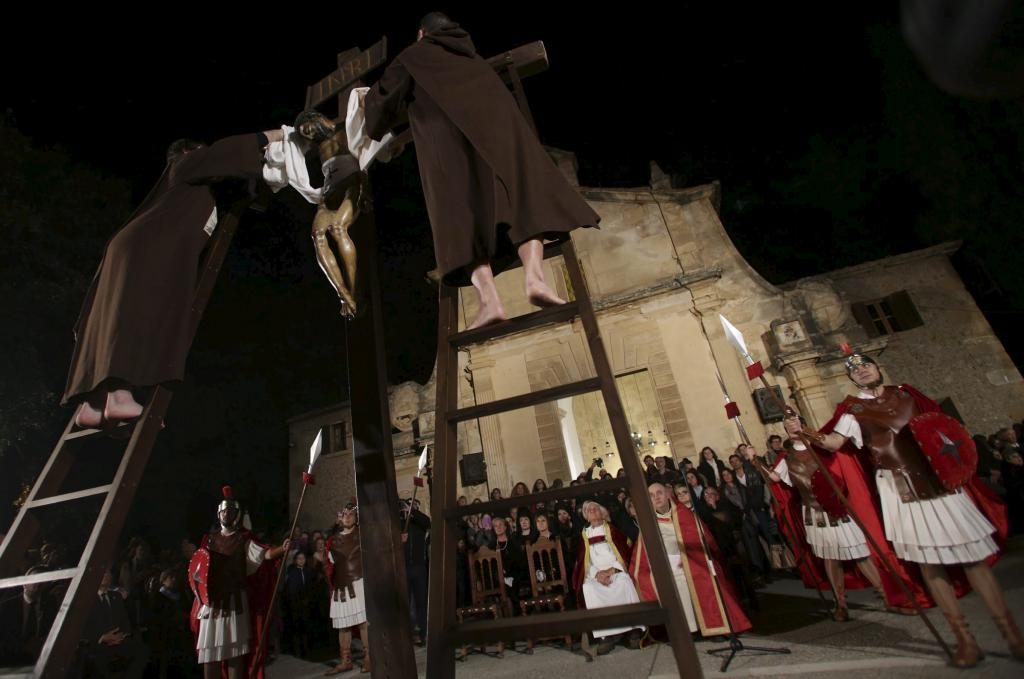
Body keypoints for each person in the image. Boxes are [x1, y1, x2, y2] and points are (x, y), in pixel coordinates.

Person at [363, 11, 600, 329]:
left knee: (460, 219)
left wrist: (364, 101)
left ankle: (489, 301)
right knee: (524, 200)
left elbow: (378, 113)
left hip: (448, 148)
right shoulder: (472, 57)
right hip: (501, 140)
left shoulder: (412, 56)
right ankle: (536, 279)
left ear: (421, 34)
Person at [788, 351, 1019, 667]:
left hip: (936, 482)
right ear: (851, 378)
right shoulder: (852, 410)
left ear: (876, 368)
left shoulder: (908, 395)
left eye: (866, 364)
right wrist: (803, 430)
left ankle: (1012, 635)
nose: (862, 370)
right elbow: (832, 444)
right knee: (929, 563)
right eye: (855, 369)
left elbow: (943, 432)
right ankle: (965, 640)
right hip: (898, 488)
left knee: (972, 559)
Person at [65, 130, 283, 427]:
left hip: (136, 246)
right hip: (146, 248)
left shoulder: (192, 191)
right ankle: (118, 396)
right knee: (140, 309)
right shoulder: (184, 164)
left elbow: (237, 178)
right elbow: (224, 152)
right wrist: (278, 134)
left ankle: (92, 406)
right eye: (203, 151)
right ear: (190, 151)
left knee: (116, 314)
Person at [188, 486, 288, 679]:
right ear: (219, 513)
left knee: (234, 654)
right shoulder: (209, 541)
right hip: (212, 603)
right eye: (224, 511)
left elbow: (263, 554)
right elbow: (199, 570)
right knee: (210, 654)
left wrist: (282, 549)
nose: (227, 514)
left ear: (237, 514)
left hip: (235, 601)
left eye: (231, 511)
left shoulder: (243, 539)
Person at [630, 483, 751, 638]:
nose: (657, 498)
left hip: (690, 559)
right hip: (664, 565)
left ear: (668, 494)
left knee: (701, 575)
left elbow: (702, 542)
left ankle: (715, 626)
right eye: (652, 496)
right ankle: (686, 630)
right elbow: (643, 553)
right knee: (654, 581)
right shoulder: (648, 522)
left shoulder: (683, 514)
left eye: (659, 493)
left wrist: (687, 559)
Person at [572, 501, 642, 655]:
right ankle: (605, 637)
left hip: (615, 570)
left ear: (602, 512)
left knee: (624, 582)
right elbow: (585, 561)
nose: (592, 511)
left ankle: (632, 632)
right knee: (589, 588)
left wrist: (612, 570)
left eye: (595, 508)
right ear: (585, 516)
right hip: (595, 574)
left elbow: (623, 552)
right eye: (588, 510)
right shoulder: (584, 535)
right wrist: (597, 574)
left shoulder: (612, 530)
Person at [324, 504, 369, 674]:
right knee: (343, 625)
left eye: (351, 514)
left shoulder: (363, 534)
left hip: (359, 582)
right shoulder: (332, 540)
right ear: (339, 518)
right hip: (341, 586)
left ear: (356, 517)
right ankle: (346, 660)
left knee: (364, 623)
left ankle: (369, 658)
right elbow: (329, 564)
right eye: (344, 515)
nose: (348, 517)